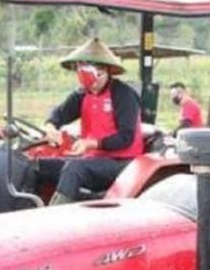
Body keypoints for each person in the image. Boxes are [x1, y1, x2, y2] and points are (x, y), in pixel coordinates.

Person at [42, 38, 143, 203]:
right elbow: (60, 114)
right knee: (41, 166)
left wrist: (90, 143)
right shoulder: (82, 94)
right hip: (94, 159)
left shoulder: (123, 95)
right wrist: (50, 127)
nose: (93, 86)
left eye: (98, 79)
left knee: (74, 169)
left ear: (106, 71)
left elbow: (126, 137)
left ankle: (55, 219)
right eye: (88, 82)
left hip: (122, 162)